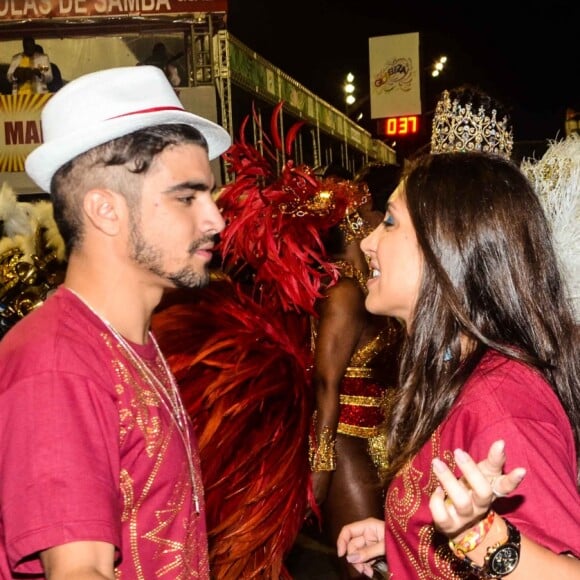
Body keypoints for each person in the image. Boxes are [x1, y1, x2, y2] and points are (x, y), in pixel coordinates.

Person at [0, 65, 231, 578]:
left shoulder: (127, 342)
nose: (215, 219)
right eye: (187, 197)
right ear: (105, 210)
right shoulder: (58, 364)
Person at [336, 152, 580, 578]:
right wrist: (406, 539)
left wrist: (479, 537)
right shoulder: (457, 374)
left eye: (389, 222)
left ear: (446, 247)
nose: (368, 241)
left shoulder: (500, 404)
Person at [307, 164, 404, 579]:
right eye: (380, 219)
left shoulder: (370, 286)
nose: (379, 229)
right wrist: (322, 467)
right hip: (347, 445)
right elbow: (326, 383)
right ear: (352, 221)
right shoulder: (343, 292)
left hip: (381, 445)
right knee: (365, 571)